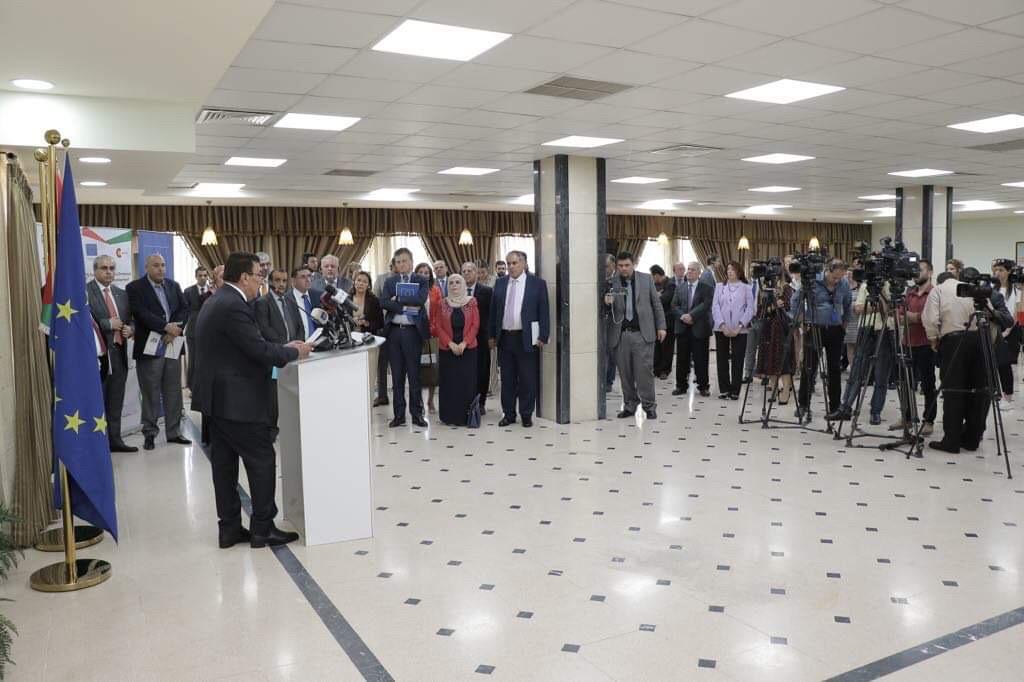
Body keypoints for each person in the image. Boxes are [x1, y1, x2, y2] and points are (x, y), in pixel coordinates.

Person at [193, 251, 312, 548]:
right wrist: (294, 351)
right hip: (238, 401)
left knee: (224, 467)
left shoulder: (218, 300)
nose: (262, 281)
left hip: (216, 401)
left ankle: (229, 528)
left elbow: (244, 345)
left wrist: (281, 347)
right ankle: (262, 528)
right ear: (244, 277)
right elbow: (258, 351)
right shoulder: (234, 305)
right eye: (259, 275)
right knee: (261, 460)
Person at [923, 267, 1012, 453]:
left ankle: (951, 441)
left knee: (953, 391)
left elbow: (930, 318)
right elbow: (990, 313)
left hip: (954, 340)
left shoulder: (938, 290)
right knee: (980, 391)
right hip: (981, 341)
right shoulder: (976, 291)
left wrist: (933, 339)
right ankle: (972, 439)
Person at [126, 253, 190, 451]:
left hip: (172, 345)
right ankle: (150, 433)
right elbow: (141, 313)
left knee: (173, 391)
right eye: (156, 265)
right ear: (146, 267)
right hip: (149, 348)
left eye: (163, 265)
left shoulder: (173, 285)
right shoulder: (134, 287)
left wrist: (175, 329)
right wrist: (165, 327)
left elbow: (184, 309)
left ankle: (174, 432)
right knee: (150, 392)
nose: (161, 269)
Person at [489, 251, 549, 428]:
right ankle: (508, 414)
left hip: (527, 338)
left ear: (523, 263)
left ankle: (526, 414)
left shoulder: (537, 284)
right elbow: (494, 311)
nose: (511, 267)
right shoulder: (500, 283)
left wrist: (543, 335)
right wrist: (491, 335)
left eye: (514, 263)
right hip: (505, 338)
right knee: (507, 379)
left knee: (527, 379)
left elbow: (544, 311)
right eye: (508, 263)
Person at [605, 252, 667, 419]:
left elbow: (656, 304)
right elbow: (605, 309)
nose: (624, 269)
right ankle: (630, 405)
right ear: (617, 266)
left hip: (642, 334)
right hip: (621, 335)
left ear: (633, 264)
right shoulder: (611, 282)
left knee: (644, 373)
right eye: (620, 266)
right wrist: (606, 303)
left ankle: (649, 406)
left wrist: (661, 326)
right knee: (625, 374)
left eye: (627, 265)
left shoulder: (646, 280)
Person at [827, 279, 895, 425]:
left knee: (881, 375)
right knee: (856, 371)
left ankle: (876, 411)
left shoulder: (892, 285)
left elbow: (890, 310)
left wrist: (878, 301)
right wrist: (878, 307)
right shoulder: (866, 285)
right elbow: (857, 309)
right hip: (866, 328)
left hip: (885, 330)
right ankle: (845, 407)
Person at [87, 255, 137, 453]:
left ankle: (115, 441)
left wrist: (130, 329)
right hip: (97, 359)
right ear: (95, 270)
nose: (109, 272)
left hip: (119, 357)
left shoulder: (121, 294)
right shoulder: (85, 292)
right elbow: (82, 322)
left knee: (116, 402)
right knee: (96, 402)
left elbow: (131, 320)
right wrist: (107, 324)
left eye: (112, 268)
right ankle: (96, 445)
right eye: (104, 268)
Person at [791, 259, 852, 418]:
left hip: (835, 330)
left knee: (834, 369)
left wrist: (845, 323)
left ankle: (835, 407)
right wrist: (801, 320)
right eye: (834, 277)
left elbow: (848, 304)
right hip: (814, 327)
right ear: (827, 270)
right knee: (809, 367)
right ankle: (803, 405)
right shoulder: (813, 281)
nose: (837, 281)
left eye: (840, 278)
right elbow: (795, 300)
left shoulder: (844, 284)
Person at [381, 248, 430, 428]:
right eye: (398, 262)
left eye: (404, 261)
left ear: (411, 262)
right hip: (394, 333)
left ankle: (417, 415)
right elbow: (384, 302)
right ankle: (399, 415)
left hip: (412, 333)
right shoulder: (390, 281)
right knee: (397, 376)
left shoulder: (421, 280)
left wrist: (397, 299)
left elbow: (420, 300)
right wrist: (404, 306)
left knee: (414, 376)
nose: (401, 264)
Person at [254, 268, 305, 440]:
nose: (281, 284)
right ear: (270, 282)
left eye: (284, 280)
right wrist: (284, 347)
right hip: (276, 354)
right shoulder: (262, 302)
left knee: (292, 394)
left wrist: (298, 344)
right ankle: (271, 430)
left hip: (293, 354)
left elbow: (299, 325)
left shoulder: (290, 300)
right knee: (273, 397)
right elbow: (264, 329)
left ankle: (293, 427)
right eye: (277, 280)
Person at [431, 274, 480, 426]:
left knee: (466, 383)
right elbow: (438, 326)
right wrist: (450, 344)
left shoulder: (471, 302)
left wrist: (464, 343)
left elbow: (475, 325)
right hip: (447, 350)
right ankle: (449, 416)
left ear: (463, 285)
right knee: (449, 383)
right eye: (451, 282)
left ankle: (467, 417)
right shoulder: (442, 303)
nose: (454, 285)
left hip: (468, 350)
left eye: (458, 282)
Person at [898, 260, 937, 436]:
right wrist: (916, 317)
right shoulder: (909, 293)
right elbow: (899, 315)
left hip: (926, 344)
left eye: (920, 270)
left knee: (928, 384)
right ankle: (906, 417)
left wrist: (914, 317)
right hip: (907, 342)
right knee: (905, 383)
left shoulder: (934, 293)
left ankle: (928, 421)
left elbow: (931, 317)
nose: (916, 273)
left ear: (930, 272)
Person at [754, 266, 798, 405]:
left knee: (783, 360)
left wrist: (776, 306)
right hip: (768, 327)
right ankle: (773, 388)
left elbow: (789, 307)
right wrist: (772, 307)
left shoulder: (787, 288)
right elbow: (760, 311)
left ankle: (786, 390)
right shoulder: (766, 289)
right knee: (770, 357)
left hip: (782, 328)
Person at [711, 261, 755, 400]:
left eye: (733, 269)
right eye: (728, 269)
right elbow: (715, 307)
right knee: (722, 359)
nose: (729, 271)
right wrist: (722, 325)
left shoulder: (746, 288)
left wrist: (739, 326)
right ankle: (724, 389)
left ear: (739, 272)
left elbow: (750, 309)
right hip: (721, 328)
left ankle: (735, 390)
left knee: (738, 359)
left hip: (740, 329)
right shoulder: (719, 286)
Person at [671, 262, 714, 397]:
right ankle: (681, 386)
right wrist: (683, 316)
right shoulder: (680, 287)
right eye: (688, 269)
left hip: (699, 328)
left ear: (699, 273)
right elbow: (674, 305)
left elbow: (706, 304)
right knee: (682, 359)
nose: (689, 272)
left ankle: (703, 387)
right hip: (682, 328)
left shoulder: (706, 288)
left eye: (693, 270)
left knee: (701, 359)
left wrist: (691, 315)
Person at [463, 261, 493, 414]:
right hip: (461, 339)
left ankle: (481, 402)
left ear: (476, 273)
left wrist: (491, 336)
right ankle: (466, 401)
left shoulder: (487, 291)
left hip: (482, 337)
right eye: (464, 271)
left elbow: (492, 315)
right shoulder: (457, 290)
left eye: (470, 271)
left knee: (482, 370)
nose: (467, 273)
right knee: (465, 370)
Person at [993, 258, 1021, 404]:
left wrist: (1007, 331)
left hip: (1010, 329)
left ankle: (1008, 395)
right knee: (992, 363)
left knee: (1005, 364)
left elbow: (1017, 313)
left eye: (1001, 270)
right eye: (996, 270)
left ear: (1009, 271)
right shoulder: (992, 289)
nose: (997, 273)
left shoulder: (1016, 290)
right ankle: (994, 392)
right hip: (994, 329)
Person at [416, 262, 443, 413]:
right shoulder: (412, 290)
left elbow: (439, 313)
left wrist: (433, 329)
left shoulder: (435, 290)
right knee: (417, 369)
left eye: (426, 273)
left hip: (432, 334)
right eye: (420, 272)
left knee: (432, 369)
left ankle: (430, 401)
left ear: (430, 275)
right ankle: (419, 401)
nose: (423, 275)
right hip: (415, 335)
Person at [183, 266, 211, 390]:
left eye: (205, 275)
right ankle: (192, 388)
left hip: (210, 332)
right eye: (200, 275)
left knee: (208, 360)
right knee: (194, 361)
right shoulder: (188, 291)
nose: (203, 278)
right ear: (196, 277)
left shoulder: (213, 291)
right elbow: (184, 311)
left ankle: (206, 387)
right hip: (193, 332)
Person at [373, 259, 395, 407]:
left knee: (398, 362)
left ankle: (398, 392)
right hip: (383, 325)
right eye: (395, 265)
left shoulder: (405, 279)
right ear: (391, 266)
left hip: (399, 326)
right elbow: (375, 301)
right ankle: (382, 395)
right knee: (382, 362)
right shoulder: (381, 279)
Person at [650, 265, 676, 380]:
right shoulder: (654, 285)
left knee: (667, 347)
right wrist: (657, 295)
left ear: (657, 275)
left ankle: (665, 370)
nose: (652, 278)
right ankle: (656, 369)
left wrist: (656, 296)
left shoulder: (671, 284)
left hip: (668, 321)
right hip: (656, 321)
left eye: (653, 276)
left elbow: (664, 300)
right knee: (657, 347)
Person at [289, 266, 323, 341]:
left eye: (309, 276)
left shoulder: (318, 295)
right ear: (293, 281)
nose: (308, 280)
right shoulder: (286, 299)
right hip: (299, 344)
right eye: (303, 277)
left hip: (320, 343)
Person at [604, 253, 618, 392]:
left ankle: (609, 380)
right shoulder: (598, 278)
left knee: (611, 351)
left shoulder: (619, 279)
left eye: (606, 266)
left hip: (614, 320)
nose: (604, 269)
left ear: (613, 265)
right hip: (601, 319)